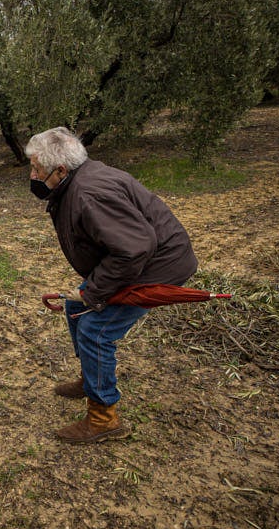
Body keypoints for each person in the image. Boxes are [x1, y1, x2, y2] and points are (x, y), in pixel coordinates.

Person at [26, 127, 197, 444]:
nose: (33, 176)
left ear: (60, 170)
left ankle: (103, 418)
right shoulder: (79, 181)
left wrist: (93, 291)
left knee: (95, 330)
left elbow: (134, 249)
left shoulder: (89, 194)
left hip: (155, 267)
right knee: (76, 306)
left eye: (37, 169)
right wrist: (87, 293)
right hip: (135, 259)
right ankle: (90, 378)